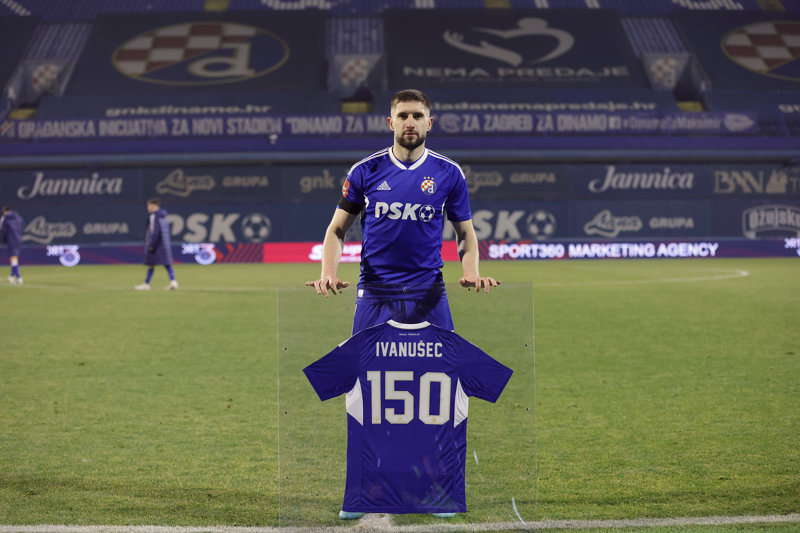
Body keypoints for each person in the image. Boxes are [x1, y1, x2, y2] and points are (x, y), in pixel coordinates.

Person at [306, 89, 499, 336]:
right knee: (368, 361)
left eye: (417, 116)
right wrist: (328, 273)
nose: (410, 123)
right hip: (375, 292)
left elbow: (465, 233)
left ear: (429, 123)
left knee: (440, 361)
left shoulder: (449, 173)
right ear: (391, 122)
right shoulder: (365, 171)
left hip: (429, 292)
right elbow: (336, 230)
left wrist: (471, 272)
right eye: (403, 116)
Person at [135, 198, 178, 291]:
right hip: (164, 244)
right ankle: (173, 281)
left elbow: (154, 232)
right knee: (166, 263)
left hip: (156, 244)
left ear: (153, 206)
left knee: (150, 263)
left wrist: (151, 245)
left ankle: (146, 284)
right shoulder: (163, 216)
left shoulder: (154, 217)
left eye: (148, 205)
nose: (147, 208)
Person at [1, 205, 24, 285]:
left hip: (11, 240)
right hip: (18, 240)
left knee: (13, 259)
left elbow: (3, 231)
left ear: (5, 211)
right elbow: (22, 227)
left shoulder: (5, 219)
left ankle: (19, 277)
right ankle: (11, 276)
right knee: (15, 258)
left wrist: (5, 240)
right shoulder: (18, 217)